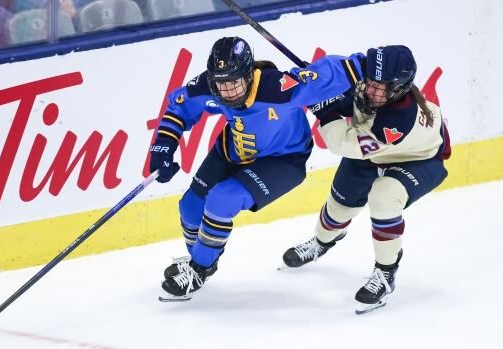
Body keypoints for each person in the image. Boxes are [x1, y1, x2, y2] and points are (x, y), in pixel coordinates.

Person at [149, 36, 365, 301]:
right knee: (190, 206)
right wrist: (163, 145)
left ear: (249, 75)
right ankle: (203, 259)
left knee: (222, 199)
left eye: (233, 82)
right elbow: (179, 108)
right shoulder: (208, 84)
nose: (226, 91)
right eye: (220, 83)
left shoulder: (280, 88)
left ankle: (198, 269)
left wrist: (372, 65)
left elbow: (331, 70)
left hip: (283, 161)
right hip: (232, 151)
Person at [281, 45, 451, 314]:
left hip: (418, 160)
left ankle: (386, 273)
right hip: (373, 152)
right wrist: (319, 85)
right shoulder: (375, 87)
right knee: (338, 207)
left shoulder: (397, 122)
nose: (370, 89)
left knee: (383, 197)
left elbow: (344, 144)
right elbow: (347, 96)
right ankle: (322, 242)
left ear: (399, 88)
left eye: (380, 86)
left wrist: (324, 111)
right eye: (370, 81)